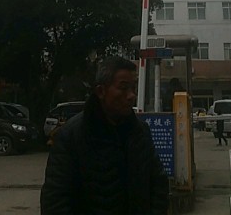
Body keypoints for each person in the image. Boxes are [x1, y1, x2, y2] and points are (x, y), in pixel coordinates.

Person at [40, 56, 169, 215]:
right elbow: (55, 200)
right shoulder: (71, 136)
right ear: (101, 91)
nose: (131, 95)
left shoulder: (140, 132)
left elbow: (158, 184)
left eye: (133, 88)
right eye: (123, 88)